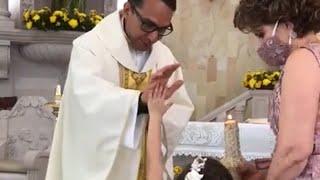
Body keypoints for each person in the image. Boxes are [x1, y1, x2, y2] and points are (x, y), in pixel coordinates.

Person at [45, 0, 194, 179]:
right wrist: (139, 101)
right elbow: (86, 103)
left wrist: (161, 107)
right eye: (148, 25)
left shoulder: (164, 57)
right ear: (127, 10)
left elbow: (178, 110)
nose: (154, 37)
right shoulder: (90, 48)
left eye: (162, 30)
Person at [233, 0, 320, 179]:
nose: (260, 45)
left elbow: (295, 151)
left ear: (287, 24)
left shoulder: (302, 59)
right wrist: (265, 172)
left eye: (260, 34)